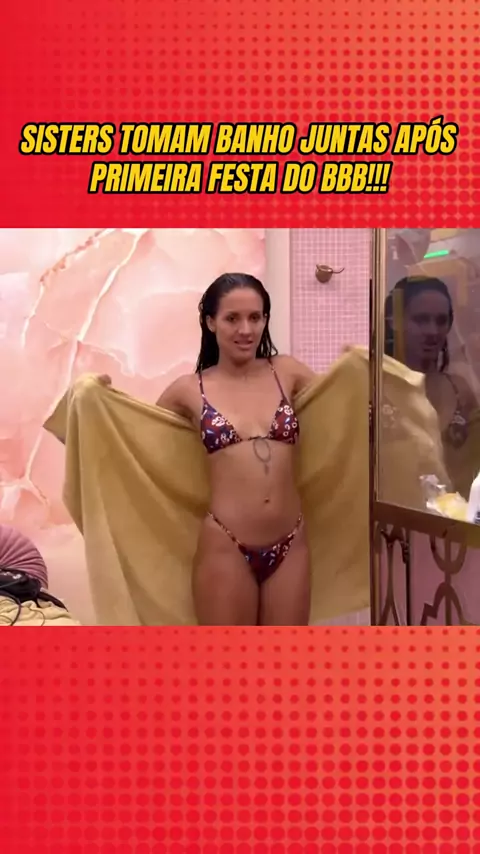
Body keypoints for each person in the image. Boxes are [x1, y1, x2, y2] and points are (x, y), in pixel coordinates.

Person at [100, 273, 316, 626]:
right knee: (226, 662)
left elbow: (336, 412)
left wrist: (356, 377)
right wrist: (99, 405)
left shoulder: (287, 371)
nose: (246, 329)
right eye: (232, 318)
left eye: (255, 317)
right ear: (210, 322)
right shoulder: (187, 390)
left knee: (287, 660)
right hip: (226, 546)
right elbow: (136, 440)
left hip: (291, 544)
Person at [384, 276, 478, 495]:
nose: (432, 331)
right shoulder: (378, 388)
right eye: (421, 319)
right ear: (394, 322)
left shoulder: (460, 391)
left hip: (458, 513)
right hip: (397, 513)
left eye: (441, 321)